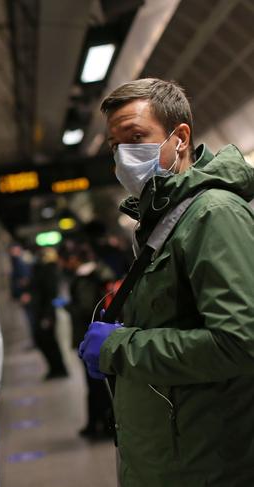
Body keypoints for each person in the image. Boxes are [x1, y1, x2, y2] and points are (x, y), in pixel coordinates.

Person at [78, 78, 254, 485]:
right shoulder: (161, 219)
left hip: (205, 464)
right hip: (173, 454)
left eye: (136, 137)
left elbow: (240, 342)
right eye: (114, 146)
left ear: (180, 137)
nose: (123, 155)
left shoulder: (213, 214)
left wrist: (120, 348)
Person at [63, 243, 114, 439]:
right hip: (102, 334)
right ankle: (101, 422)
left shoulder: (84, 278)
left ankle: (98, 424)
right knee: (101, 382)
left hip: (90, 336)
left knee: (94, 384)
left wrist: (68, 307)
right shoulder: (100, 272)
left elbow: (85, 308)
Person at [30, 247, 68, 379]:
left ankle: (59, 369)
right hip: (43, 311)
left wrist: (46, 316)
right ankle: (56, 368)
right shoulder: (46, 269)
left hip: (46, 312)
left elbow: (50, 294)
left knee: (48, 341)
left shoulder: (49, 270)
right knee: (46, 340)